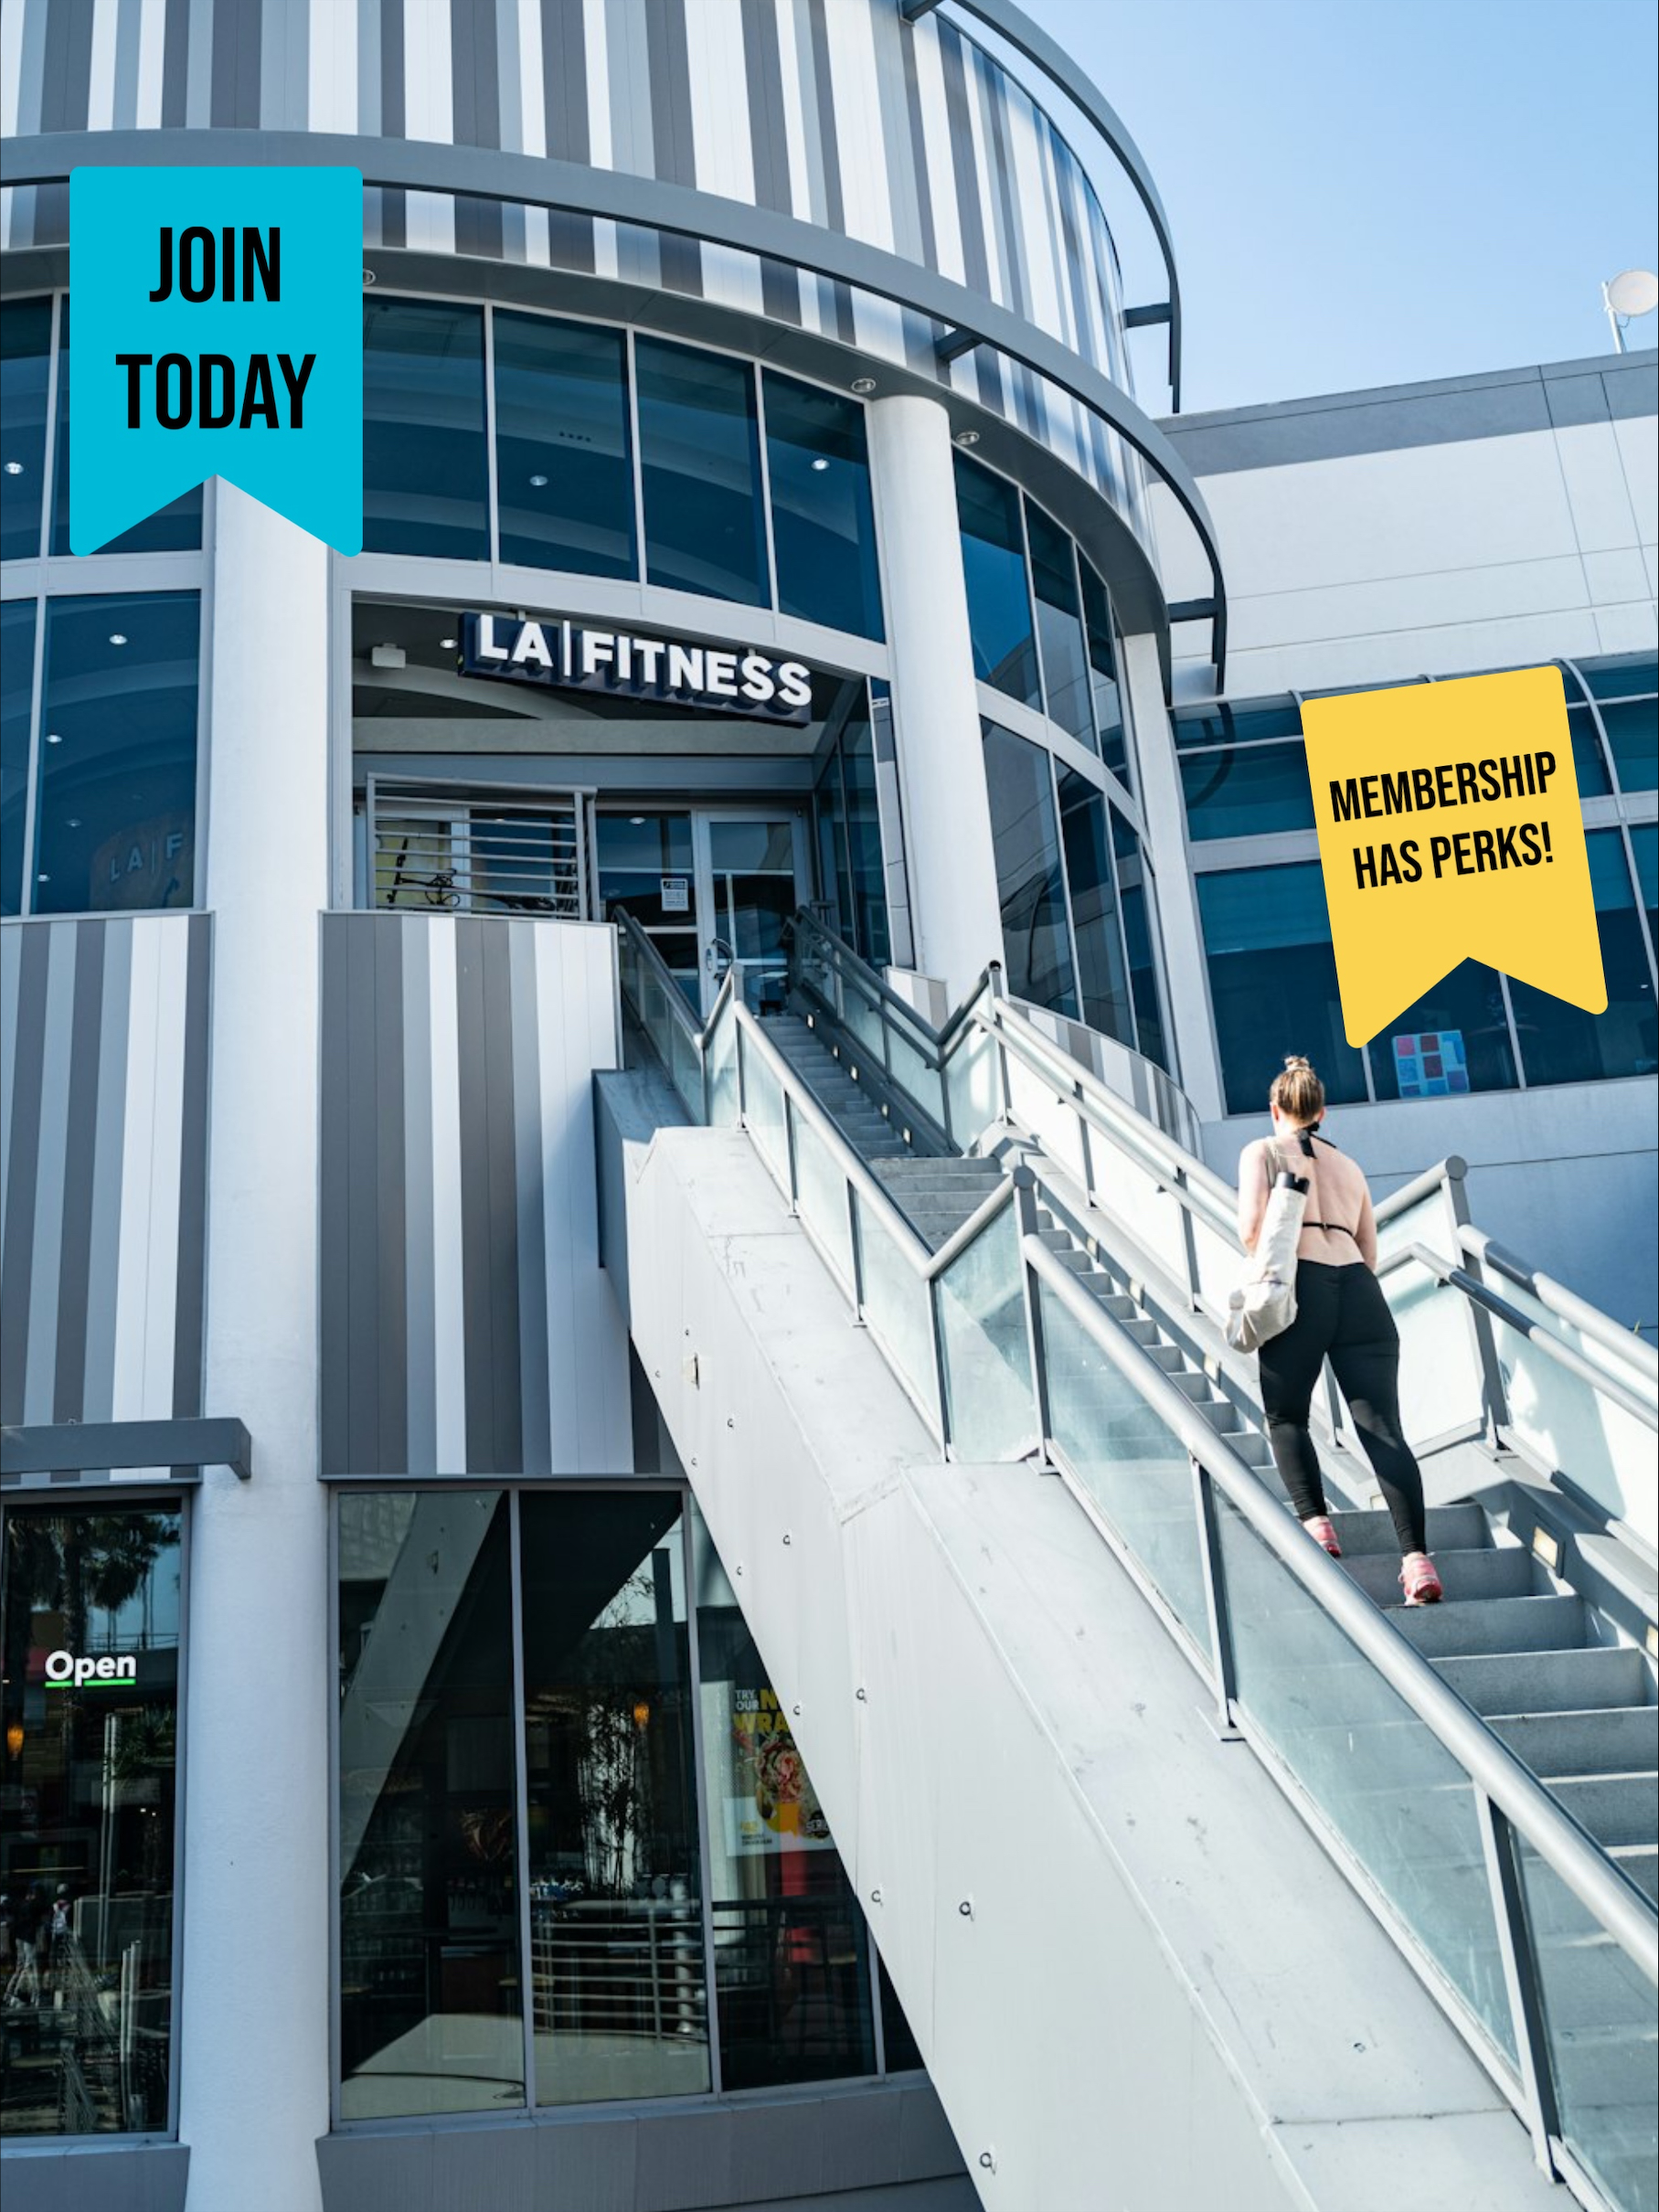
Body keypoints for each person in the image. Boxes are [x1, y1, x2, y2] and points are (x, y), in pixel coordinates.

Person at [1238, 1056, 1442, 1606]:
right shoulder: (1349, 1167)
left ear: (1275, 1108)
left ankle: (1318, 1526)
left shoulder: (1261, 1151)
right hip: (1358, 1289)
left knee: (1287, 1414)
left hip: (1300, 1282)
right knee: (1382, 1428)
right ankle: (1417, 1560)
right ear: (1322, 1112)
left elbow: (1253, 1233)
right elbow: (1370, 1249)